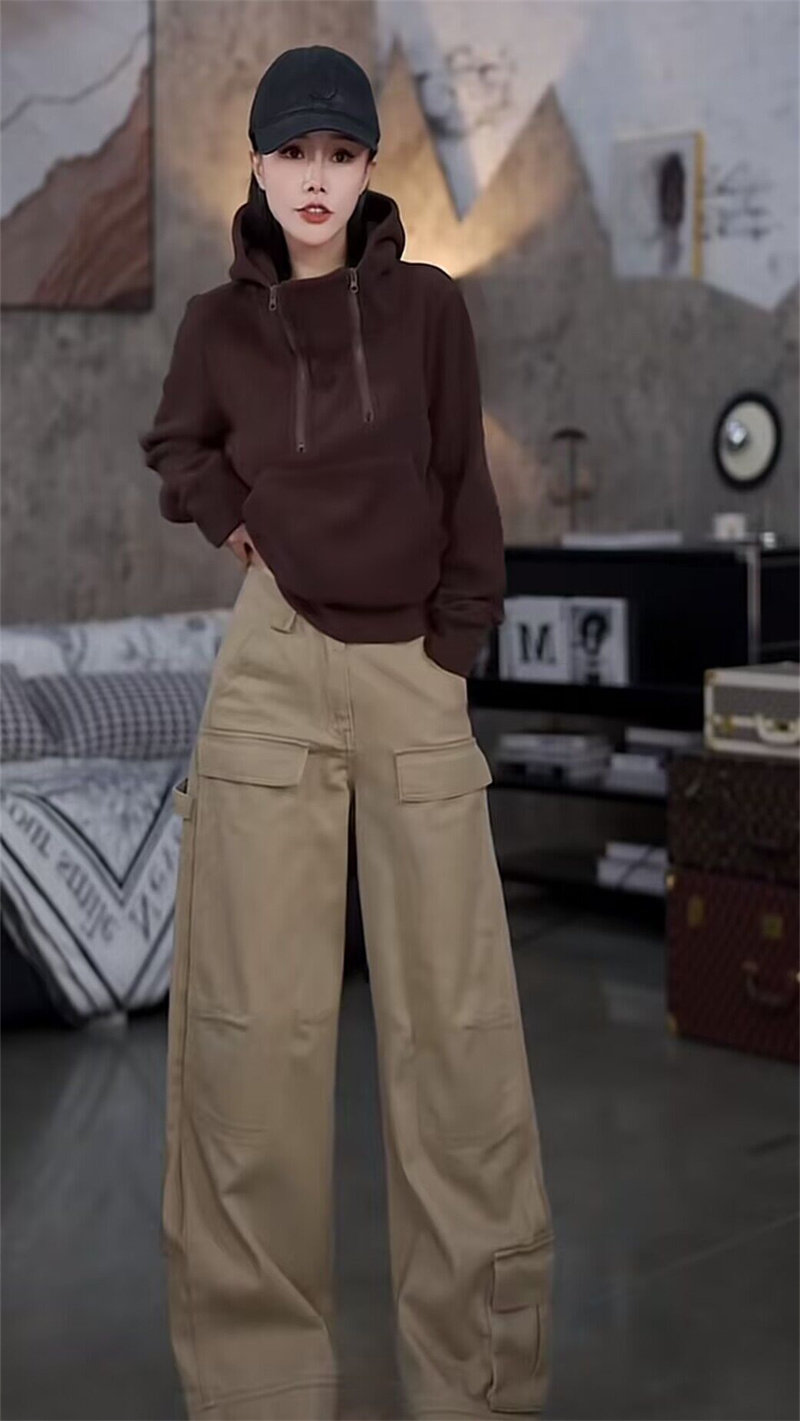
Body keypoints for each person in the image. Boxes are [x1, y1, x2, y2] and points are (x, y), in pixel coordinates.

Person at [138, 44, 554, 1421]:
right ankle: (261, 1394)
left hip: (414, 668)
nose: (315, 177)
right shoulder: (216, 324)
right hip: (273, 666)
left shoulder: (430, 308)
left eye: (339, 152)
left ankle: (478, 1386)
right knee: (252, 1040)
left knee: (459, 1037)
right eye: (292, 152)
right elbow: (176, 444)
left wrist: (458, 645)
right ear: (258, 167)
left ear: (368, 168)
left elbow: (463, 478)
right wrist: (233, 521)